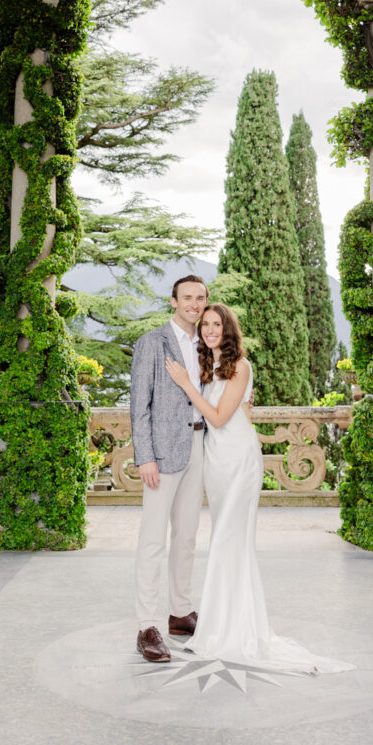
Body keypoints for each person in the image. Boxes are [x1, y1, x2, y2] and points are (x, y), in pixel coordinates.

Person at [165, 303, 355, 675]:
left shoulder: (241, 366)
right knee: (223, 540)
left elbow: (219, 418)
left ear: (228, 330)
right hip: (216, 461)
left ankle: (232, 633)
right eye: (205, 325)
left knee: (229, 541)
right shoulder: (208, 366)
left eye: (217, 324)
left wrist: (185, 384)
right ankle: (223, 625)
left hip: (237, 459)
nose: (210, 330)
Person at [130, 274, 209, 663]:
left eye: (200, 298)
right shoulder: (152, 342)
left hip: (199, 445)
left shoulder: (207, 344)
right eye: (187, 297)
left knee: (187, 536)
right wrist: (145, 455)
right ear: (174, 301)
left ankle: (180, 612)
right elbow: (139, 404)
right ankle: (147, 626)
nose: (194, 304)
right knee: (153, 540)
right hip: (161, 454)